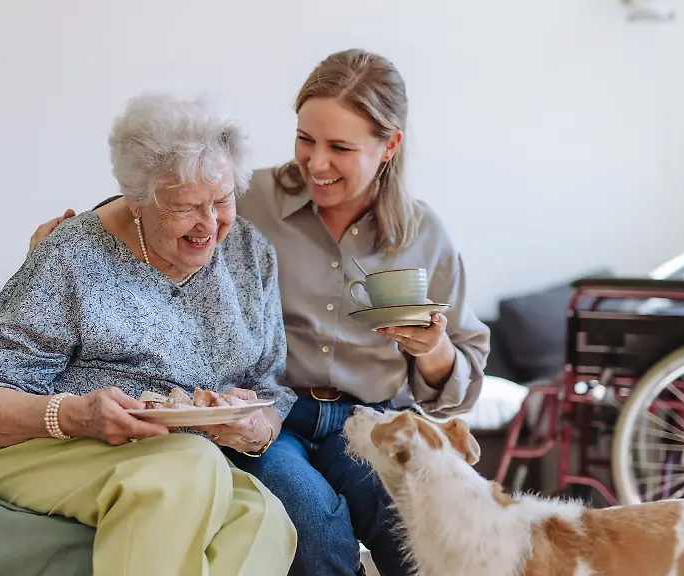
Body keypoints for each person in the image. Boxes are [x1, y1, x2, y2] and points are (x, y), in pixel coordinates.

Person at [28, 49, 490, 576]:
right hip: (271, 414)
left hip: (370, 420)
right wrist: (66, 240)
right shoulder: (241, 197)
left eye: (340, 147)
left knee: (414, 519)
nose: (316, 163)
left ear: (389, 146)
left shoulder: (425, 235)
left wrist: (433, 349)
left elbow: (462, 386)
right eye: (305, 139)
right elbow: (152, 205)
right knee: (313, 528)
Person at [0, 93, 299, 576]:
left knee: (263, 519)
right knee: (190, 464)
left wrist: (256, 428)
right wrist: (78, 416)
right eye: (187, 207)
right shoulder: (74, 254)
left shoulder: (249, 254)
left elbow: (269, 386)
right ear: (137, 200)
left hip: (177, 455)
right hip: (39, 446)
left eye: (222, 200)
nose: (210, 224)